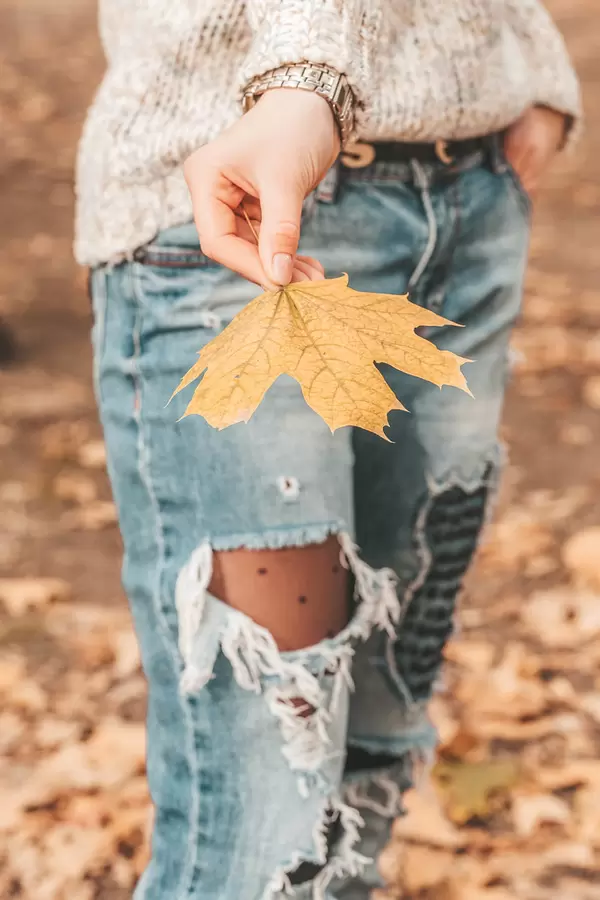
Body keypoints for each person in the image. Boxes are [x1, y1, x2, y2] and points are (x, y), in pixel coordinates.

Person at [77, 2, 580, 898]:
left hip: (466, 200)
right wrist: (309, 80)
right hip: (238, 210)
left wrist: (529, 60)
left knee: (372, 752)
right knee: (269, 811)